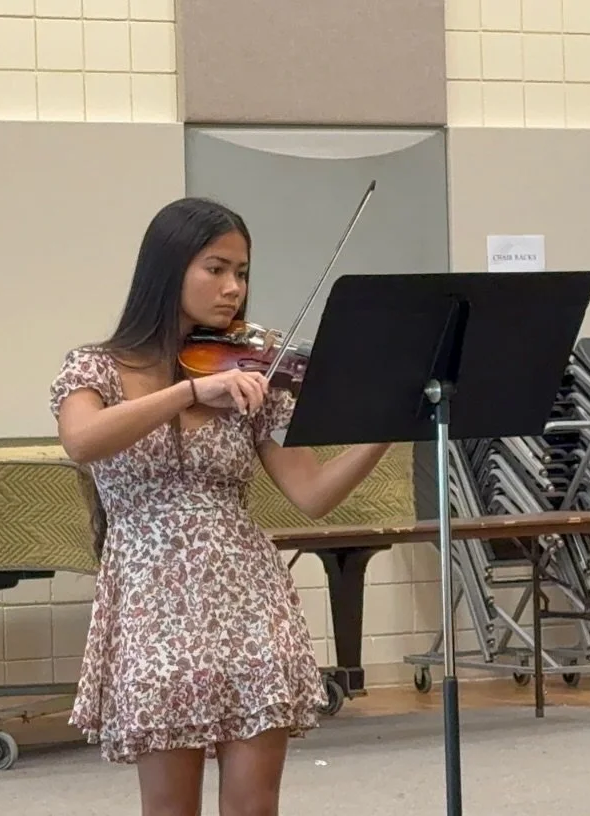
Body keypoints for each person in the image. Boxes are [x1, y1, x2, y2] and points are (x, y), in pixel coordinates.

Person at [49, 197, 391, 816]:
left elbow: (311, 494)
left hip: (248, 597)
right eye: (216, 268)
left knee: (254, 808)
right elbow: (82, 439)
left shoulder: (251, 374)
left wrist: (386, 429)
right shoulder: (96, 366)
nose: (234, 288)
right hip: (154, 607)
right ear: (168, 268)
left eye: (243, 272)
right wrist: (189, 390)